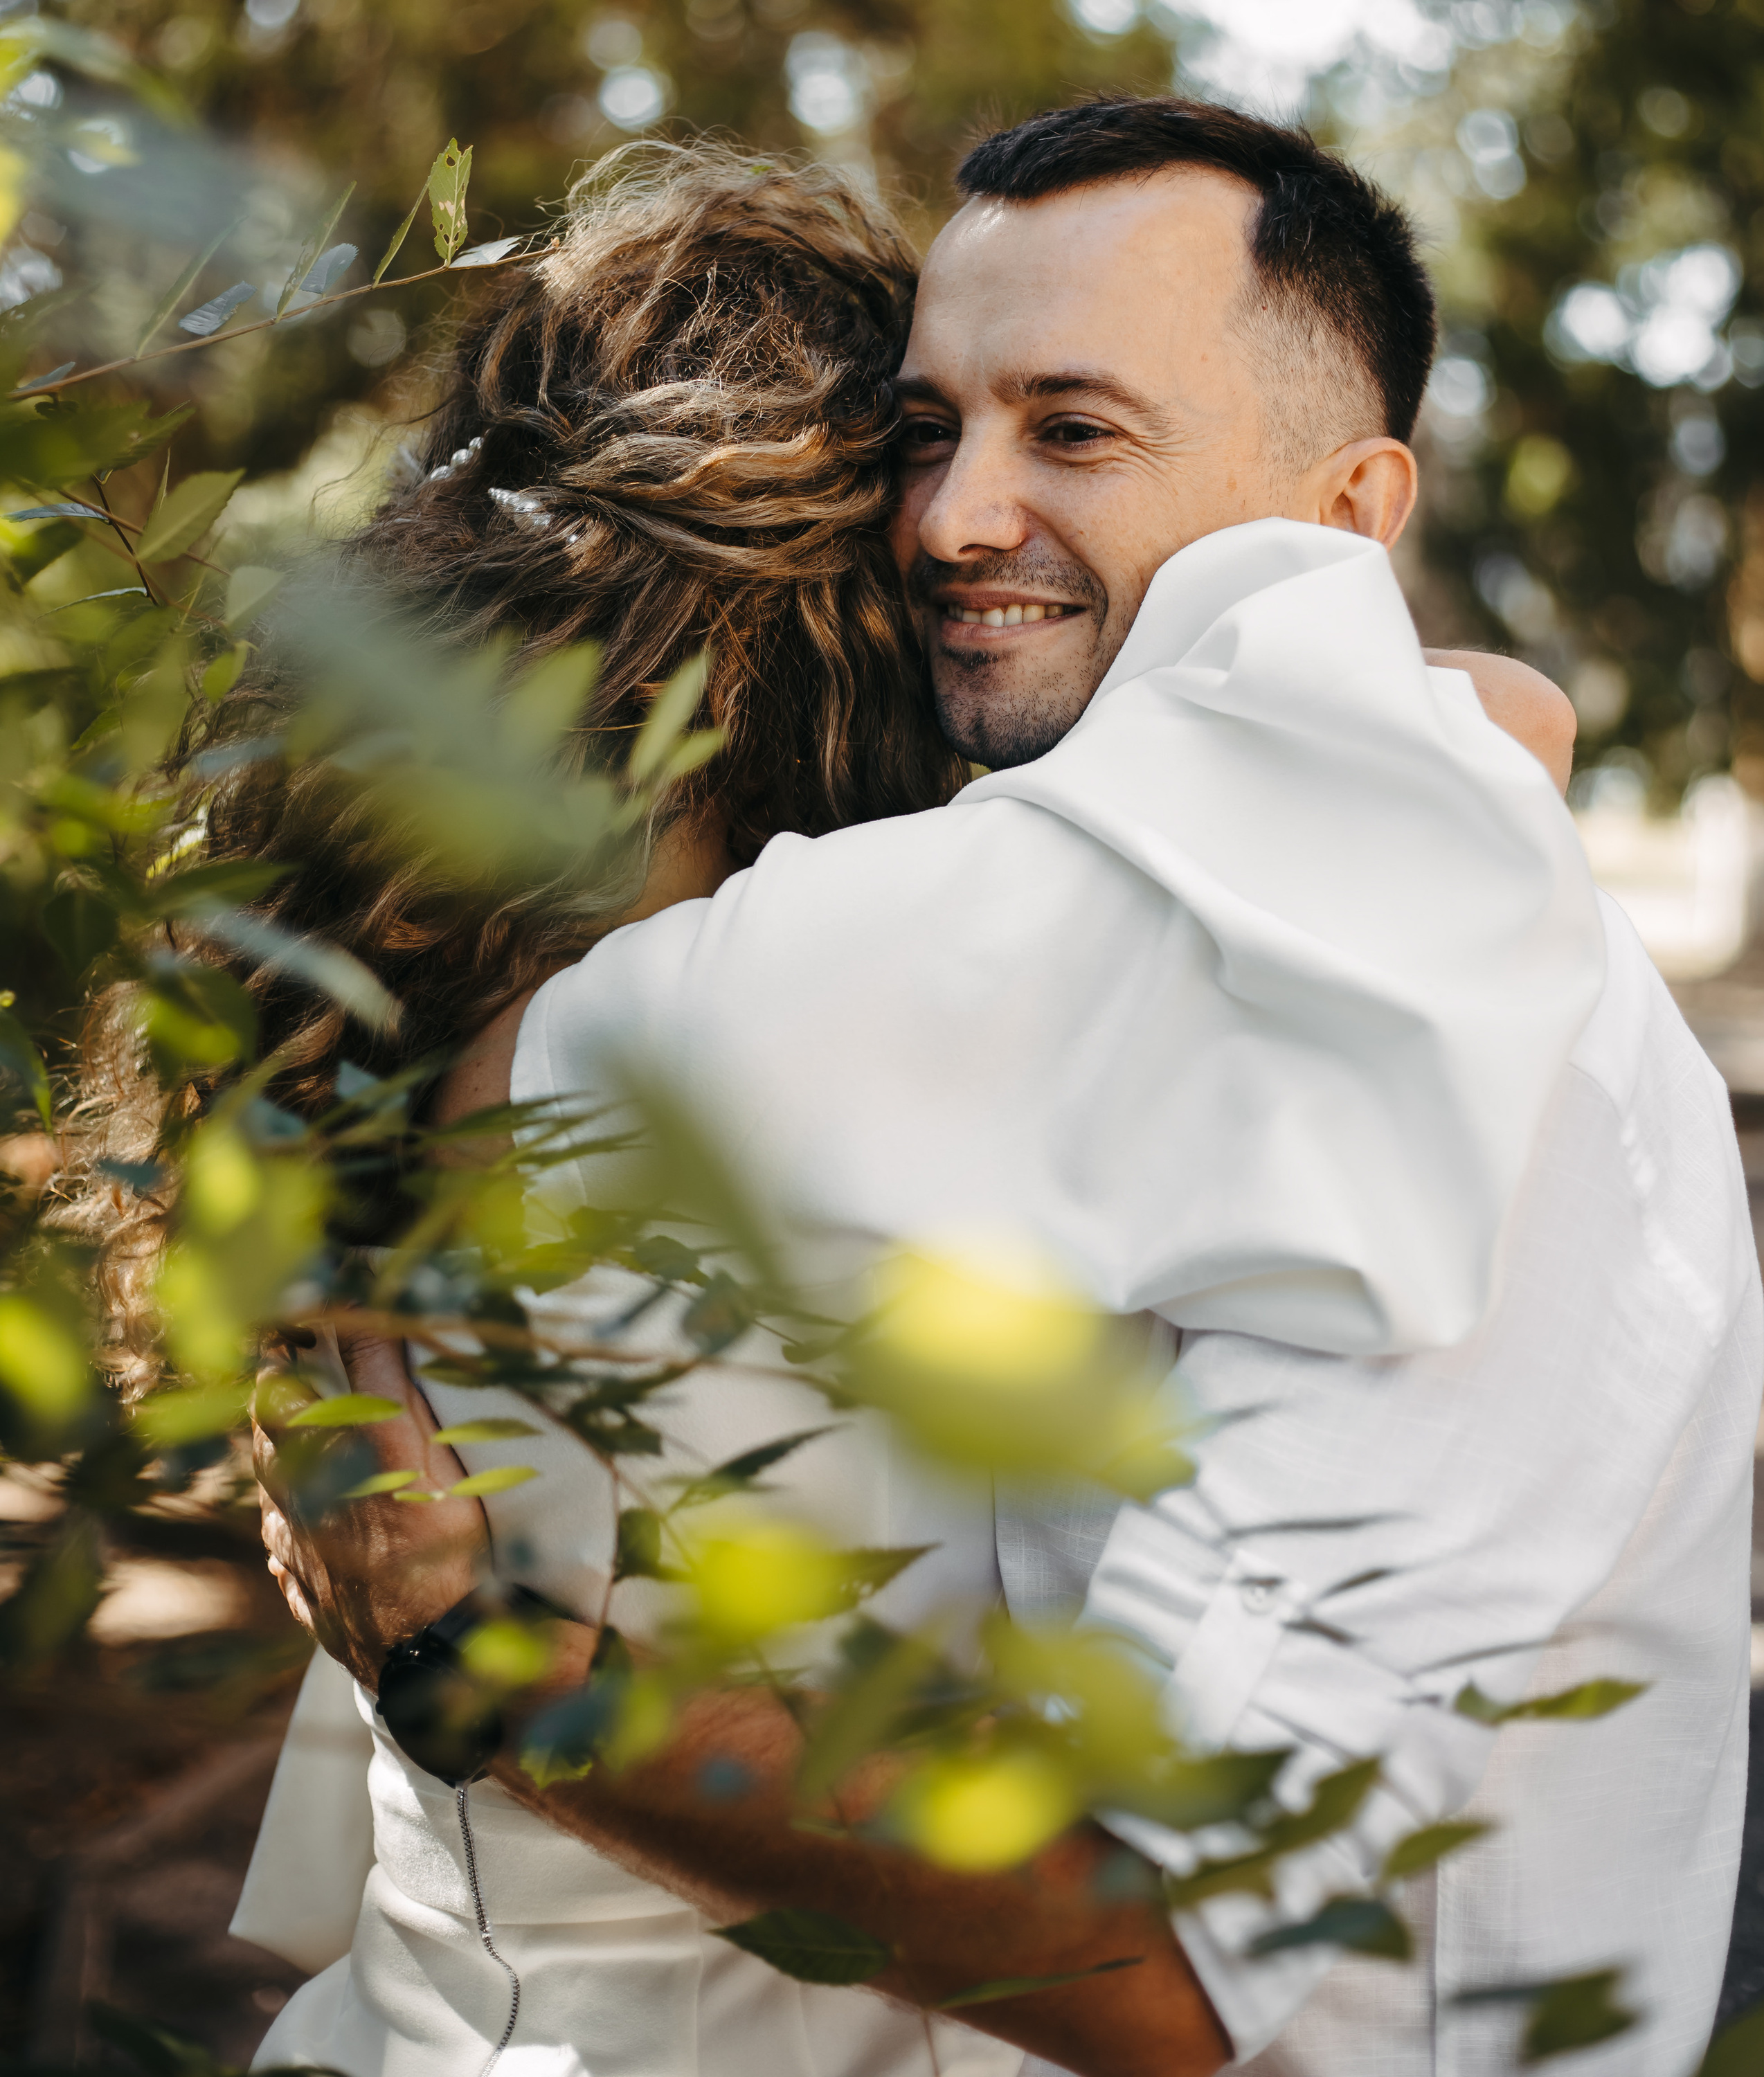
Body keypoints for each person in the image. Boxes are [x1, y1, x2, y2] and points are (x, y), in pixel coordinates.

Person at [226, 102, 1647, 2076]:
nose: (959, 520)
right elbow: (1471, 745)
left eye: (1063, 432)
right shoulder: (804, 996)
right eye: (922, 447)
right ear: (833, 591)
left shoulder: (385, 986)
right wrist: (1484, 718)